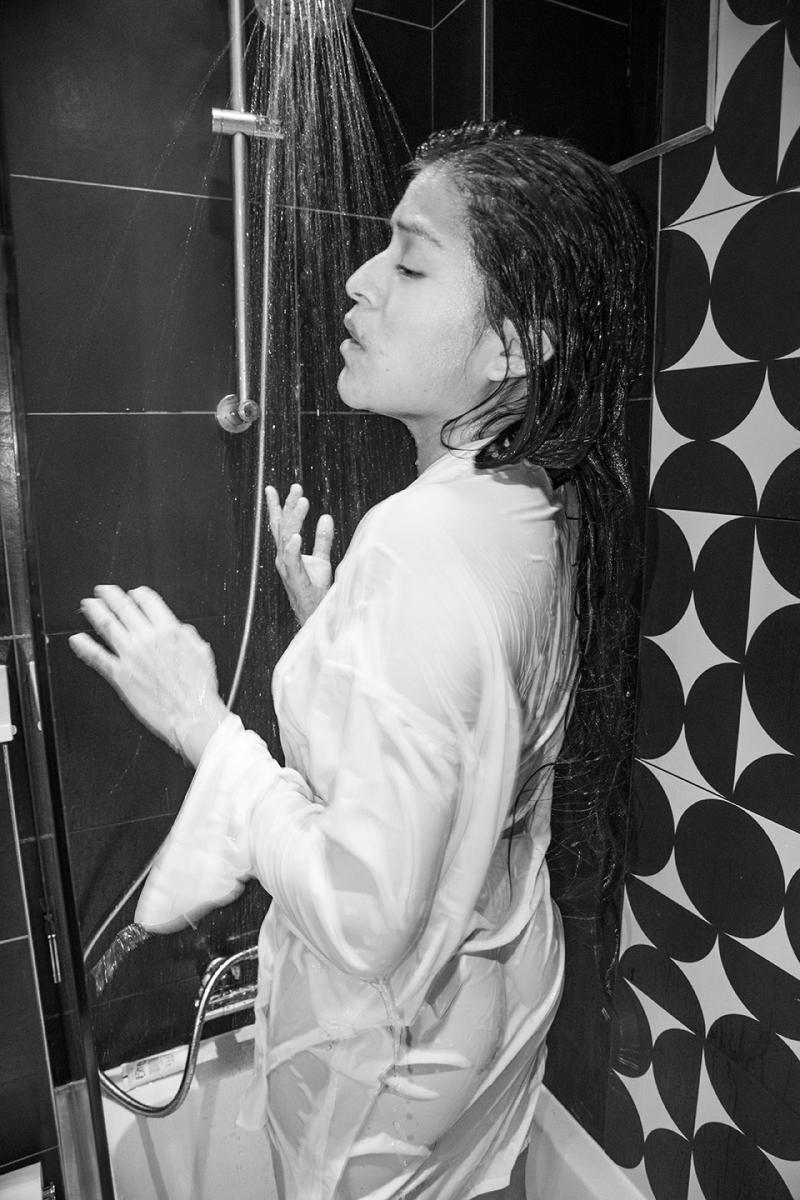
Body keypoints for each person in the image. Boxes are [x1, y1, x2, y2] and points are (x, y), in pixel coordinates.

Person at [70, 122, 646, 1200]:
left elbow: (362, 913)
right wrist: (339, 625)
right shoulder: (535, 499)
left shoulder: (418, 542)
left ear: (514, 345)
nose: (358, 281)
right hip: (492, 995)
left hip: (393, 1053)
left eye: (410, 261)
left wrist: (199, 719)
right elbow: (475, 725)